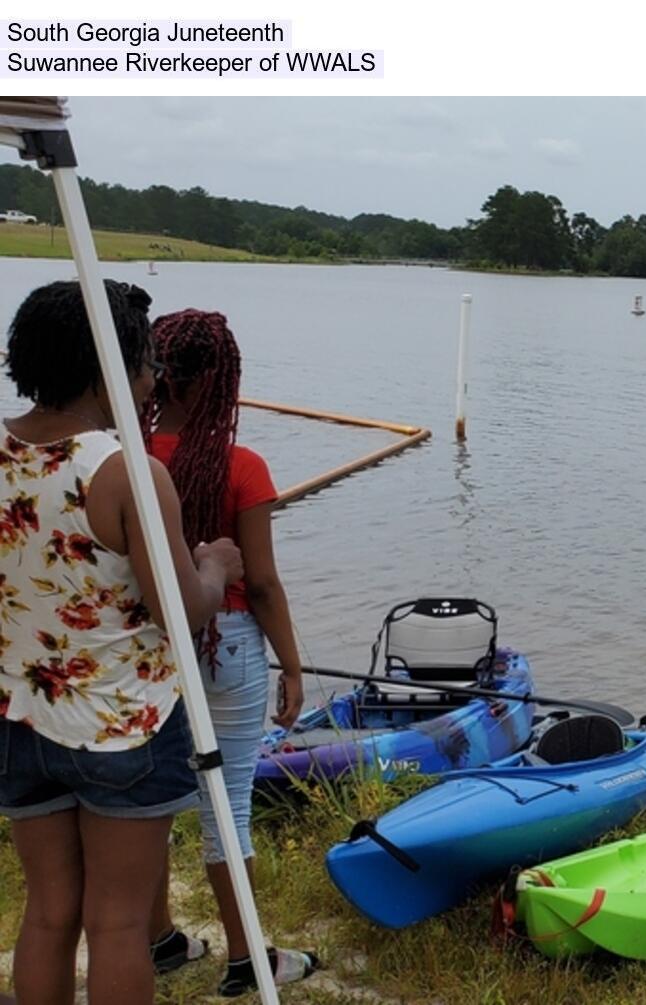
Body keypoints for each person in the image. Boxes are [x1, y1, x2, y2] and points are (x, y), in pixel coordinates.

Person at [0, 280, 244, 1005]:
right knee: (117, 922)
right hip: (122, 725)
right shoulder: (129, 472)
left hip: (20, 715)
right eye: (143, 364)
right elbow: (182, 610)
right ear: (106, 365)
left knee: (47, 912)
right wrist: (214, 565)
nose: (151, 383)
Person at [140, 309, 318, 996]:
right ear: (223, 381)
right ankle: (249, 957)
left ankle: (159, 938)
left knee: (149, 801)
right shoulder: (242, 467)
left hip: (152, 645)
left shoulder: (128, 456)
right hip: (228, 645)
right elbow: (263, 582)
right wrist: (294, 664)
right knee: (228, 806)